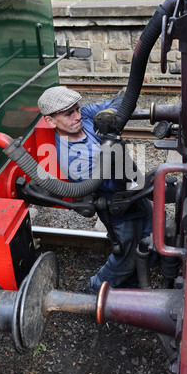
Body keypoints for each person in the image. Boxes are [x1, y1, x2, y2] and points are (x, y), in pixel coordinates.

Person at [38, 86, 152, 295]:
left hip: (135, 196)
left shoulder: (83, 117)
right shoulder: (71, 157)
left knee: (150, 240)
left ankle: (132, 287)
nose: (77, 116)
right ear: (51, 121)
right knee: (125, 261)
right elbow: (112, 184)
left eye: (77, 109)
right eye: (68, 113)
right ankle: (94, 291)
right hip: (119, 209)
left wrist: (115, 109)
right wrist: (118, 154)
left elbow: (111, 107)